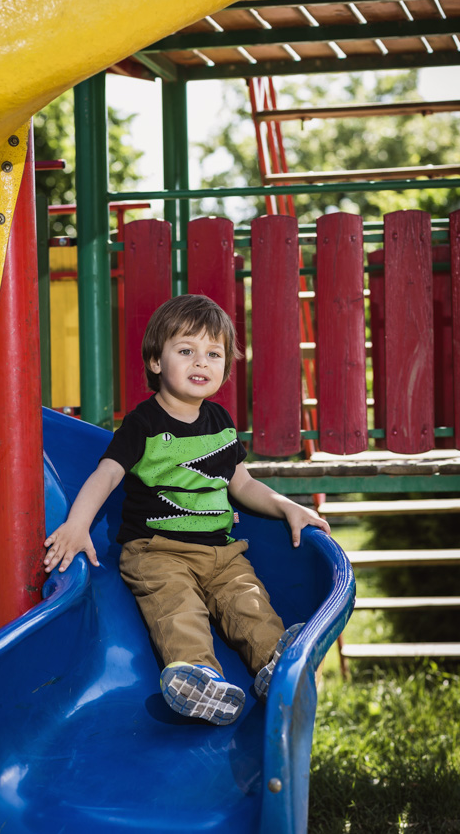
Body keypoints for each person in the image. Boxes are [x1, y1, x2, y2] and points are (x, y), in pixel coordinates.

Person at [43, 294, 331, 725]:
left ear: (224, 369)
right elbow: (106, 474)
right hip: (157, 551)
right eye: (186, 351)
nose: (201, 362)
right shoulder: (143, 424)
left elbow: (242, 483)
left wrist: (287, 506)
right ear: (156, 362)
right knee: (178, 610)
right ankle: (198, 678)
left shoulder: (219, 422)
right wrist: (77, 525)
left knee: (248, 602)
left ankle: (276, 667)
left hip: (221, 553)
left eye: (213, 354)